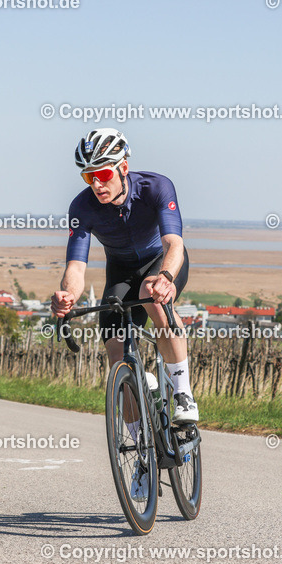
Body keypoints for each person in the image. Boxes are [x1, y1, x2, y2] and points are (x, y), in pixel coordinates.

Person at [51, 128, 198, 431]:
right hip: (120, 271)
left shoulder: (156, 187)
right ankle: (138, 445)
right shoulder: (82, 207)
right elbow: (76, 267)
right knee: (116, 352)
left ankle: (183, 394)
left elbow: (174, 243)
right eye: (88, 177)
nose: (97, 184)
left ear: (123, 168)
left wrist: (166, 277)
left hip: (162, 262)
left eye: (103, 174)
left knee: (151, 293)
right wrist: (68, 295)